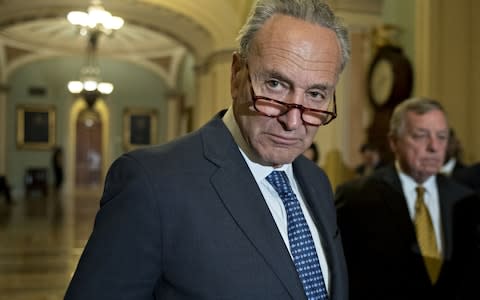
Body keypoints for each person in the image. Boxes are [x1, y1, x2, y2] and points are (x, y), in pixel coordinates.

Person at [65, 1, 351, 299]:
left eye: (316, 94)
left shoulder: (317, 181)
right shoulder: (152, 185)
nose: (293, 121)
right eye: (276, 84)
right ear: (236, 74)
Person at [335, 97, 478, 300]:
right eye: (421, 136)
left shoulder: (465, 200)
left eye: (442, 137)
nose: (434, 147)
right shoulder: (356, 198)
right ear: (394, 142)